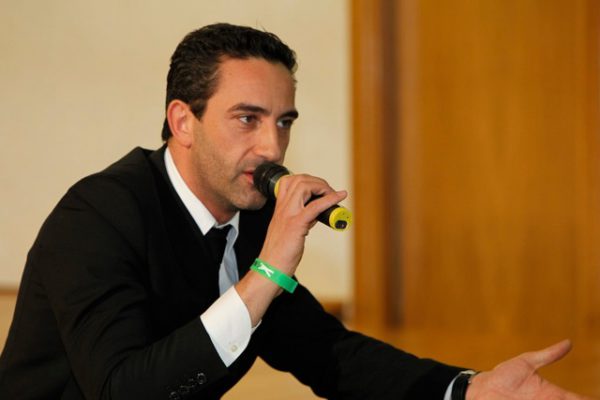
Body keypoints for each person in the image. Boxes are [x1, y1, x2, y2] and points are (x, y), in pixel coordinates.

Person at [0, 23, 592, 400]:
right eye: (247, 119)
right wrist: (267, 274)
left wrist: (466, 389)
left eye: (283, 122)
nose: (272, 147)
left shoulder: (251, 214)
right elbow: (120, 389)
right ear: (183, 121)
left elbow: (328, 353)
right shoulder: (97, 216)